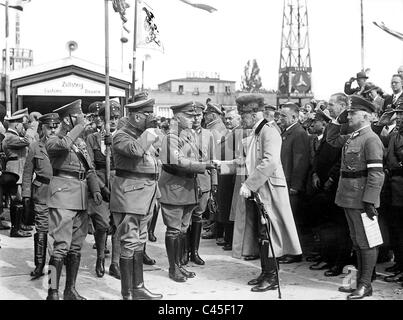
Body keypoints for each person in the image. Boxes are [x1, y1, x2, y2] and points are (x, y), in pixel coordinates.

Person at [219, 93, 302, 292]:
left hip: (270, 189)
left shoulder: (268, 131)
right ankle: (266, 272)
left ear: (255, 114)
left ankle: (272, 276)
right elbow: (245, 162)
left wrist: (250, 184)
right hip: (260, 190)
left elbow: (270, 161)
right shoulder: (257, 132)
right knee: (261, 232)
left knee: (269, 233)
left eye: (244, 114)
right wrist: (221, 165)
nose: (241, 118)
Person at [327, 95, 384, 300]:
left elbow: (377, 174)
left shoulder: (371, 139)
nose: (348, 116)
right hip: (348, 197)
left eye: (352, 113)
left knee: (366, 241)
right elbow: (332, 139)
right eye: (348, 112)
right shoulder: (354, 136)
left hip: (361, 199)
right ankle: (361, 280)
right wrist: (337, 119)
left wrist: (369, 200)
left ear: (365, 116)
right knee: (357, 240)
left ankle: (365, 285)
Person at [46, 100, 102, 300]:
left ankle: (70, 290)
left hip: (80, 197)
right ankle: (52, 291)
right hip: (62, 196)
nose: (83, 119)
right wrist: (79, 126)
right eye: (77, 115)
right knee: (60, 247)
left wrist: (95, 189)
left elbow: (90, 168)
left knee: (76, 247)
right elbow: (62, 146)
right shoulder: (54, 139)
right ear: (68, 119)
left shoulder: (80, 141)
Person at [109, 92, 162, 300]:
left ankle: (138, 287)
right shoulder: (121, 135)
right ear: (138, 116)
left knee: (139, 241)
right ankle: (127, 292)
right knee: (129, 241)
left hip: (145, 196)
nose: (152, 118)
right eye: (149, 114)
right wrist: (149, 131)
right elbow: (134, 151)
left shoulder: (142, 135)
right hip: (130, 197)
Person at [158, 101, 217, 282]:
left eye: (194, 116)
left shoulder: (186, 135)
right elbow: (178, 161)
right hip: (174, 188)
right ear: (177, 117)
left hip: (187, 188)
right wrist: (204, 165)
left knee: (182, 229)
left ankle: (179, 265)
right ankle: (173, 268)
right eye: (189, 116)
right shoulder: (171, 137)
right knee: (174, 230)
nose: (194, 119)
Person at [21, 113, 60, 279]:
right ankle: (39, 265)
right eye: (49, 127)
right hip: (41, 192)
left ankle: (57, 265)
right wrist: (26, 195)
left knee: (59, 231)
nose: (52, 130)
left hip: (60, 192)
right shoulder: (35, 146)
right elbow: (28, 173)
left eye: (55, 126)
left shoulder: (62, 145)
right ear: (42, 127)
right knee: (42, 228)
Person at [86, 100, 122, 278]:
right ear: (101, 119)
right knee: (101, 223)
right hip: (99, 185)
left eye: (116, 117)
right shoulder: (92, 138)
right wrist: (100, 187)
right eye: (109, 118)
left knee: (118, 224)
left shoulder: (122, 137)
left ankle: (115, 264)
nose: (113, 121)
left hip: (119, 185)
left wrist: (113, 146)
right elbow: (89, 166)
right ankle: (100, 258)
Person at [184, 105, 218, 265]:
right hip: (188, 181)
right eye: (193, 115)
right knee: (186, 217)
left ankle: (194, 252)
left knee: (198, 216)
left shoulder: (208, 135)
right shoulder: (183, 134)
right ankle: (184, 252)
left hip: (204, 181)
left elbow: (213, 159)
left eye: (199, 115)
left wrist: (215, 183)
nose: (196, 118)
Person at [277, 102, 310, 264]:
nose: (280, 119)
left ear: (294, 117)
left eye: (284, 116)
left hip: (291, 185)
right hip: (284, 183)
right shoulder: (288, 132)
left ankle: (295, 253)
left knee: (293, 220)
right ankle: (289, 250)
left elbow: (301, 162)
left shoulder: (299, 133)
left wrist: (296, 186)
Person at [2, 109, 32, 237]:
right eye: (22, 125)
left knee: (18, 200)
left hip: (18, 170)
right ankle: (15, 229)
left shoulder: (13, 136)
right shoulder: (10, 137)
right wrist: (30, 129)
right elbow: (28, 141)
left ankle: (19, 225)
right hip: (15, 171)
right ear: (17, 125)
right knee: (17, 200)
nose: (23, 127)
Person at [202, 102, 228, 242]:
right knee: (214, 201)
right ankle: (213, 226)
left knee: (215, 202)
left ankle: (215, 229)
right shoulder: (212, 127)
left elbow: (215, 153)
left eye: (206, 114)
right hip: (212, 168)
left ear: (213, 114)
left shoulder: (216, 129)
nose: (204, 117)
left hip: (215, 169)